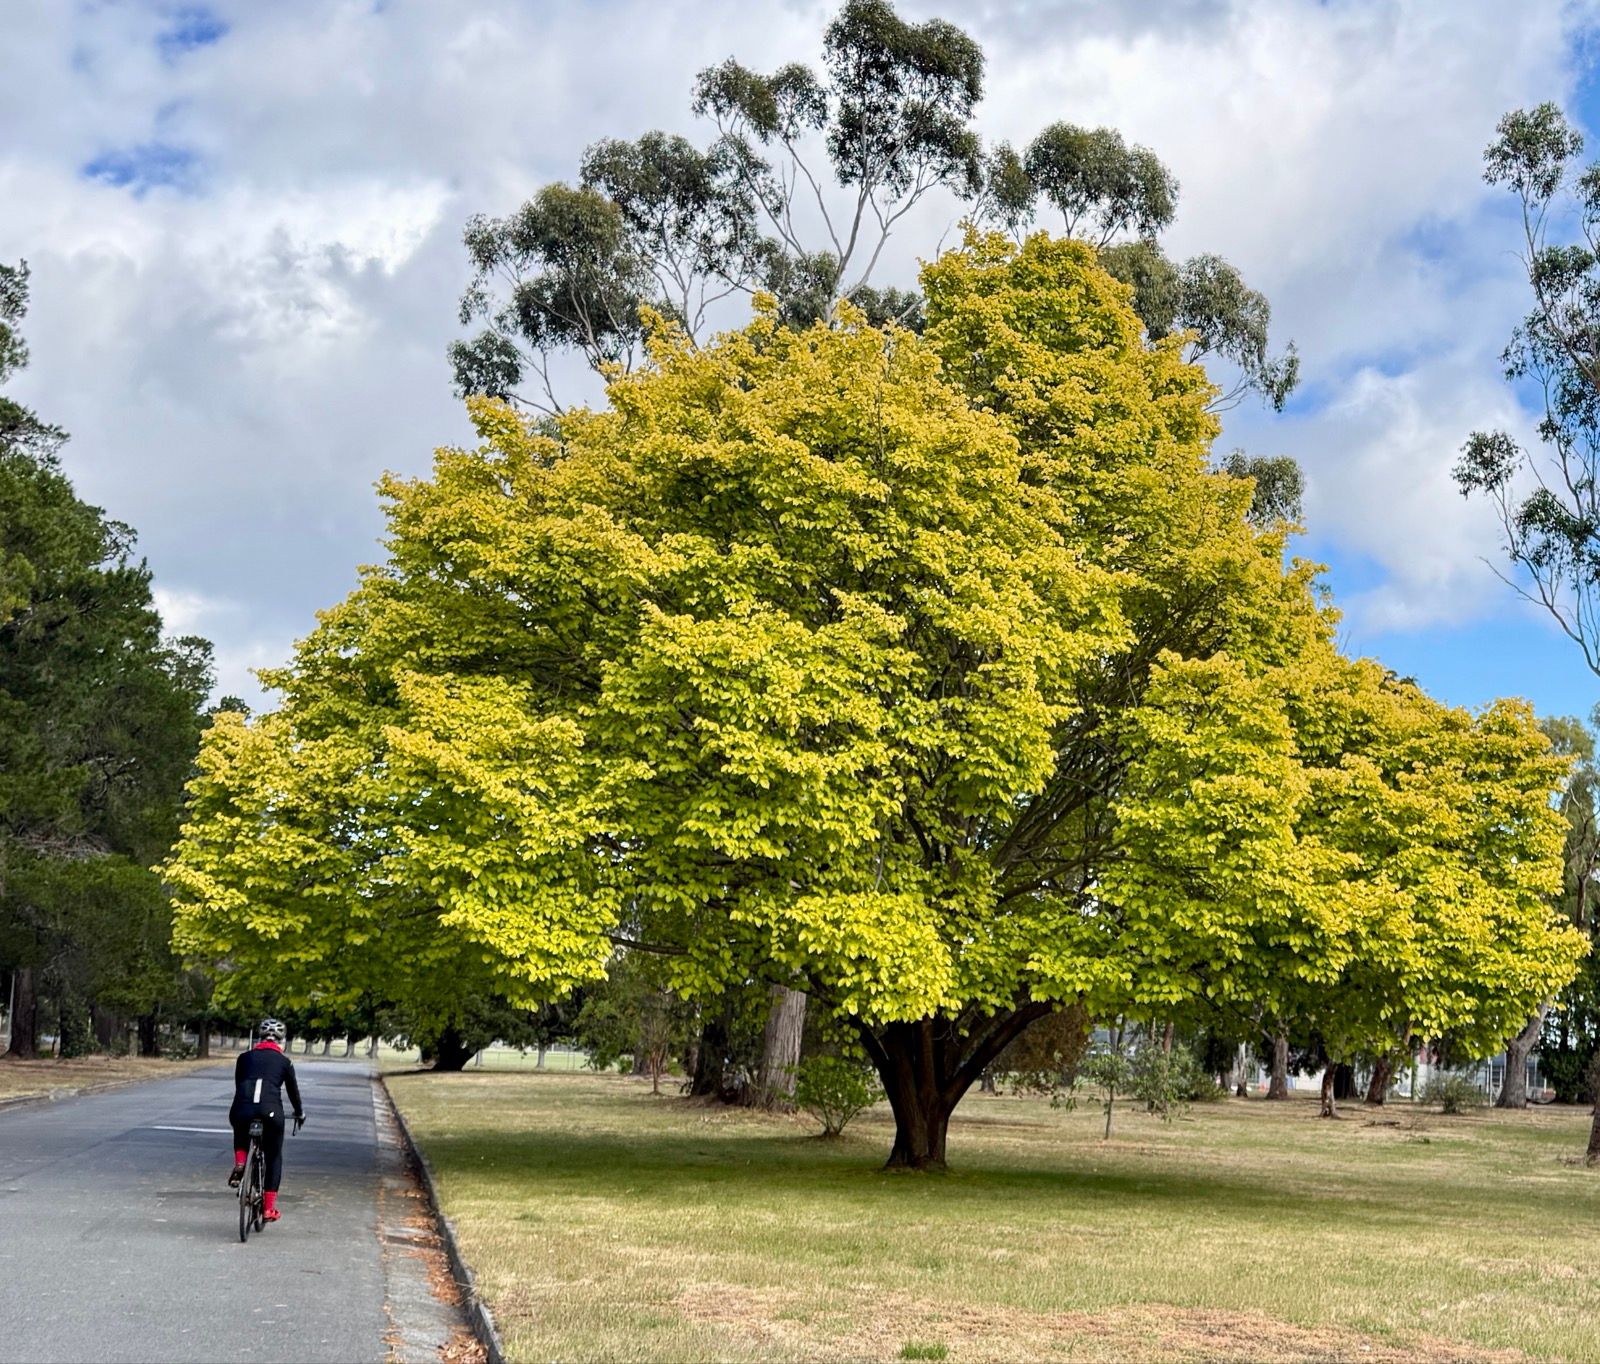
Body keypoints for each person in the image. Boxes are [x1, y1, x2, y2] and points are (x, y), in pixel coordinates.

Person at [228, 1018, 305, 1222]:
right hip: (271, 1111)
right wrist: (300, 1113)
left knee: (240, 1127)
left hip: (242, 1108)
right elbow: (293, 1092)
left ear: (259, 1038)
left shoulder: (243, 1058)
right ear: (282, 1041)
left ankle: (241, 1162)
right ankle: (268, 1209)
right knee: (273, 1156)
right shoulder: (285, 1063)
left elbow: (239, 1084)